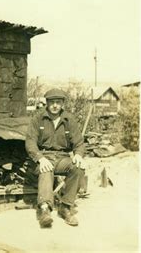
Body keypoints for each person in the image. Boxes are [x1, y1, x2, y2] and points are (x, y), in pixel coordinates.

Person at [25, 88, 85, 228]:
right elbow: (30, 141)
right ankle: (45, 210)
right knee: (46, 169)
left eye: (58, 102)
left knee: (77, 167)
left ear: (63, 103)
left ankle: (66, 207)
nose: (55, 105)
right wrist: (40, 158)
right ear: (47, 103)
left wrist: (78, 154)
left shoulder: (69, 119)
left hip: (63, 157)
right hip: (44, 156)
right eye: (52, 102)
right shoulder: (38, 118)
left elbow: (79, 143)